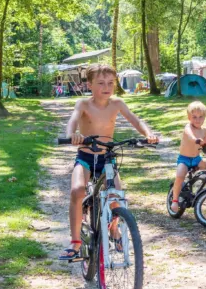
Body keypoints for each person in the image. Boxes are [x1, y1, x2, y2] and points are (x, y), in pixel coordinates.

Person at [59, 63, 158, 261]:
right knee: (77, 190)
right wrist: (72, 135)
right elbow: (73, 120)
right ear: (89, 85)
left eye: (111, 83)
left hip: (107, 158)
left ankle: (114, 231)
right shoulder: (83, 104)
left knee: (116, 198)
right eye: (101, 83)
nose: (107, 87)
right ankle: (76, 242)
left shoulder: (117, 103)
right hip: (86, 157)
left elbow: (135, 120)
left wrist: (148, 134)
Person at [169, 101, 206, 213]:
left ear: (204, 117)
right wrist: (196, 140)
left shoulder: (204, 131)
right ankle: (175, 201)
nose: (197, 120)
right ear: (189, 117)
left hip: (196, 159)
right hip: (184, 159)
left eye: (201, 117)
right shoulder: (188, 127)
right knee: (180, 175)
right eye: (194, 117)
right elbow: (190, 135)